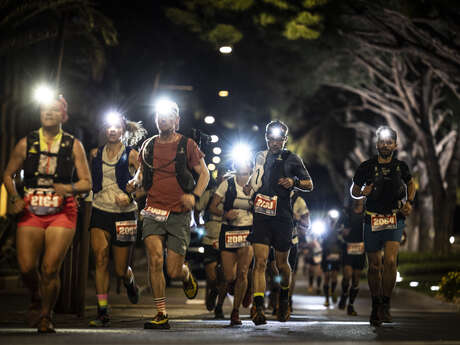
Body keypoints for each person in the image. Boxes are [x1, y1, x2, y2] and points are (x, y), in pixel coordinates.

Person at [3, 94, 91, 333]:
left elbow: (86, 182)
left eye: (53, 110)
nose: (48, 113)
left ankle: (45, 315)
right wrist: (14, 197)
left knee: (50, 268)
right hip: (31, 207)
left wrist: (68, 188)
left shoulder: (73, 144)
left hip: (62, 210)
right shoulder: (27, 142)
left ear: (63, 115)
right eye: (44, 110)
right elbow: (8, 174)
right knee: (26, 267)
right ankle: (36, 294)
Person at [127, 99, 209, 329]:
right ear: (156, 120)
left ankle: (185, 275)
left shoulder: (187, 145)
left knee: (172, 269)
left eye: (168, 116)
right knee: (155, 260)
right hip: (153, 210)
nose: (163, 119)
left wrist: (194, 196)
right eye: (159, 116)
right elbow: (142, 174)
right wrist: (134, 182)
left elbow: (204, 174)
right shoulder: (149, 145)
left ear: (177, 120)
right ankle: (161, 313)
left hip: (179, 213)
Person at [245, 120, 313, 325]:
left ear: (285, 139)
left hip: (283, 218)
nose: (275, 142)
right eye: (271, 138)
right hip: (261, 216)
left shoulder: (292, 158)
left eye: (279, 139)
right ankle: (257, 307)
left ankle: (284, 299)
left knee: (283, 265)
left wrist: (294, 182)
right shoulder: (259, 156)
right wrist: (249, 187)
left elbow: (309, 184)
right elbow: (255, 179)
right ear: (267, 137)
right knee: (261, 262)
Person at [351, 126, 415, 326]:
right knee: (374, 265)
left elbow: (411, 184)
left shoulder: (401, 166)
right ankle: (375, 304)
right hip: (372, 219)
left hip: (394, 219)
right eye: (382, 142)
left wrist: (409, 202)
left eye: (389, 142)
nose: (385, 145)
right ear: (376, 144)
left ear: (395, 145)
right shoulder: (366, 166)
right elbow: (353, 190)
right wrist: (363, 191)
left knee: (389, 262)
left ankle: (386, 303)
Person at [88, 112, 147, 327]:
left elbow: (142, 177)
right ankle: (102, 311)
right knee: (101, 259)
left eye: (117, 127)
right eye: (109, 127)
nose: (112, 130)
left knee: (120, 270)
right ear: (105, 130)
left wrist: (132, 190)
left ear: (123, 130)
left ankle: (130, 282)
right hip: (100, 210)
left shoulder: (132, 154)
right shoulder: (95, 153)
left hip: (125, 214)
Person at [209, 157, 254, 326]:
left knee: (243, 272)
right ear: (236, 165)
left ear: (250, 166)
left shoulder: (257, 185)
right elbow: (213, 207)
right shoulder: (227, 184)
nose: (244, 164)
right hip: (228, 231)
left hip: (247, 231)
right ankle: (238, 288)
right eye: (241, 162)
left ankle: (235, 313)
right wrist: (225, 214)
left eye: (246, 162)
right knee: (229, 276)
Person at [193, 167, 227, 319]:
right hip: (210, 239)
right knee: (212, 277)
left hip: (227, 240)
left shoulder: (232, 194)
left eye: (226, 176)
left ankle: (219, 307)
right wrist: (199, 224)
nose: (223, 178)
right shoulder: (209, 194)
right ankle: (213, 291)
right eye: (221, 175)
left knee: (225, 277)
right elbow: (197, 209)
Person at [338, 199, 366, 316]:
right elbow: (336, 228)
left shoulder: (367, 212)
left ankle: (351, 305)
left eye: (361, 196)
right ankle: (344, 294)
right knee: (347, 276)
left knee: (355, 280)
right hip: (348, 247)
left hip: (361, 248)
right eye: (356, 195)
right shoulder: (346, 212)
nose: (358, 198)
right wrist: (342, 231)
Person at [288, 191, 310, 311]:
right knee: (274, 273)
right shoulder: (272, 193)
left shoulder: (299, 201)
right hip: (273, 241)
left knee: (291, 273)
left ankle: (287, 298)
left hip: (292, 242)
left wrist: (298, 219)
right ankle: (274, 297)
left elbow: (307, 224)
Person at [320, 211, 341, 307]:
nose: (332, 220)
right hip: (327, 256)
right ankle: (327, 299)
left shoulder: (339, 228)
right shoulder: (324, 228)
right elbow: (321, 240)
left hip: (337, 255)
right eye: (330, 218)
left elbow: (342, 241)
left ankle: (332, 291)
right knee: (327, 276)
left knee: (334, 277)